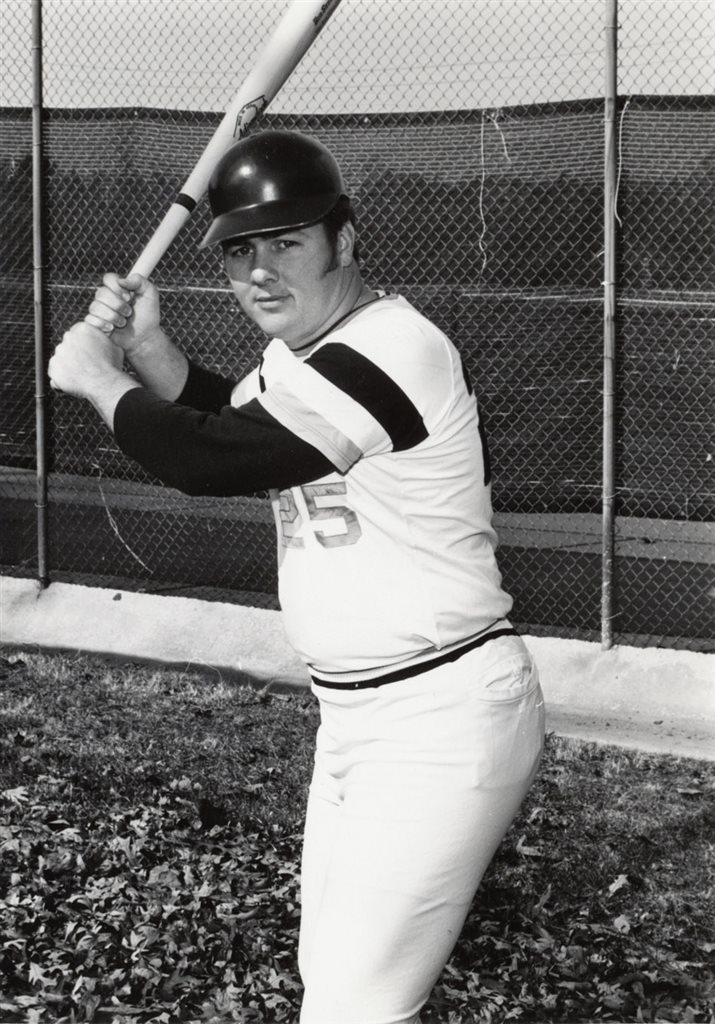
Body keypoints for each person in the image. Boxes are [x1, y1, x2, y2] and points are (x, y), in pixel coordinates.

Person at [48, 129, 546, 1024]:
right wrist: (151, 350)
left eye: (287, 243)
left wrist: (98, 380)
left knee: (357, 1007)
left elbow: (216, 459)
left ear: (343, 240)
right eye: (241, 252)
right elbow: (226, 416)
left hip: (439, 717)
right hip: (358, 714)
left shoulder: (396, 345)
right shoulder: (301, 359)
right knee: (334, 980)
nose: (261, 273)